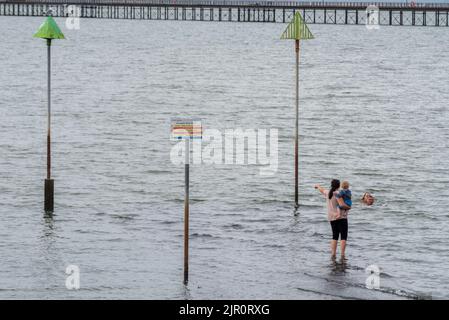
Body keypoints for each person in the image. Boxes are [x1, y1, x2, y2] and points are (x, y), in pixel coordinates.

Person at [315, 180, 351, 258]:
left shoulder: (328, 193)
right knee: (343, 237)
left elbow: (322, 190)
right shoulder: (338, 194)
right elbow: (342, 205)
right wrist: (349, 207)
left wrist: (317, 186)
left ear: (331, 185)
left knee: (335, 236)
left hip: (332, 217)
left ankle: (333, 254)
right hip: (342, 217)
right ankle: (342, 255)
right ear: (339, 186)